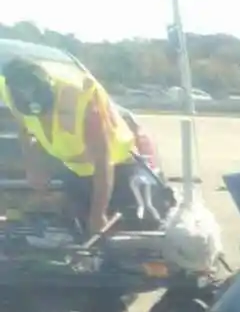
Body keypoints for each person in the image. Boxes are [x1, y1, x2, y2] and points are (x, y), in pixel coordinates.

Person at [1, 56, 164, 234]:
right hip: (75, 170)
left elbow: (103, 160)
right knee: (75, 231)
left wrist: (98, 214)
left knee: (120, 238)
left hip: (117, 169)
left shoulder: (80, 99)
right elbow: (25, 127)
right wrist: (33, 165)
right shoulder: (10, 90)